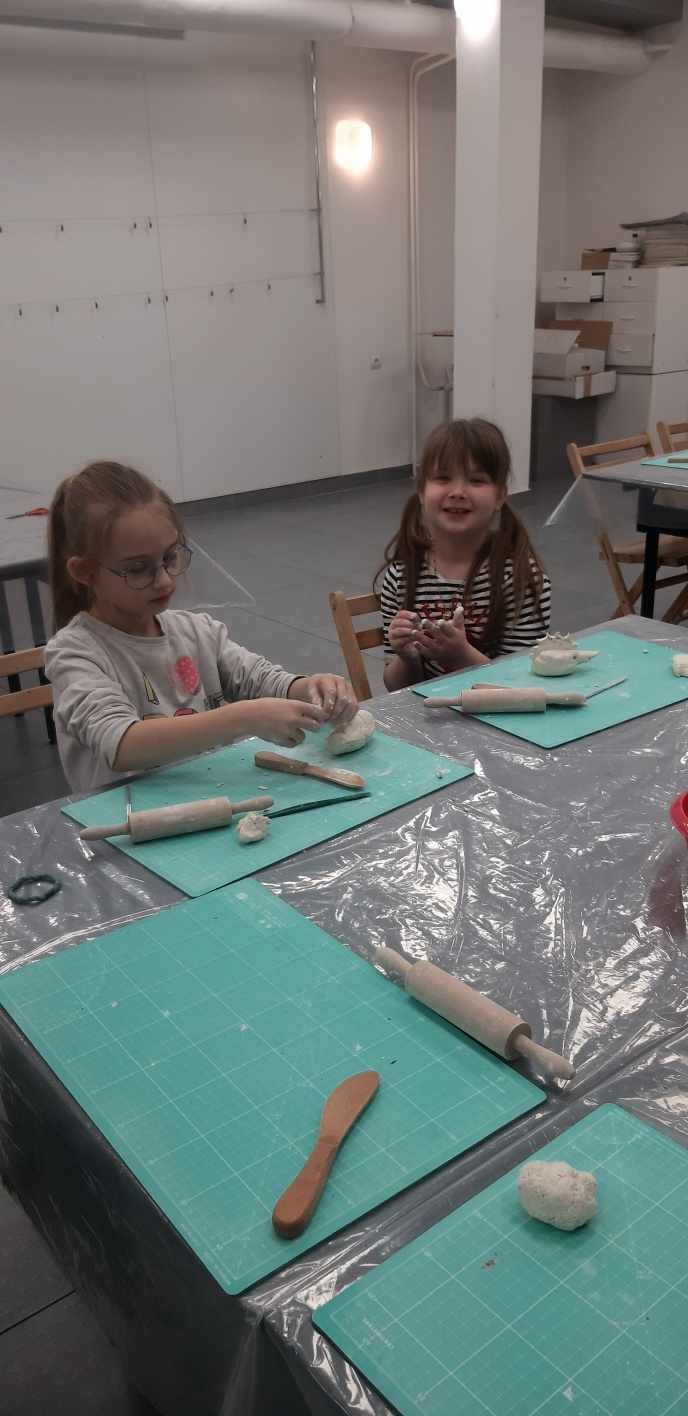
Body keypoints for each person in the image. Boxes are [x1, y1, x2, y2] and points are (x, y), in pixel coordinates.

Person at [44, 462, 356, 791]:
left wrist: (310, 688)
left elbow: (260, 679)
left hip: (208, 798)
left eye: (169, 558)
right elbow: (122, 745)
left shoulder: (197, 633)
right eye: (137, 569)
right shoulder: (74, 654)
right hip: (126, 816)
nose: (164, 580)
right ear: (85, 573)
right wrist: (243, 718)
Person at [376, 418, 551, 690]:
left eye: (476, 480)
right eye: (443, 478)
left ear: (500, 496)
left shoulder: (521, 579)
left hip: (499, 713)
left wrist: (462, 656)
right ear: (421, 492)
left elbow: (519, 685)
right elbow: (395, 688)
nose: (457, 492)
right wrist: (406, 658)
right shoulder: (399, 578)